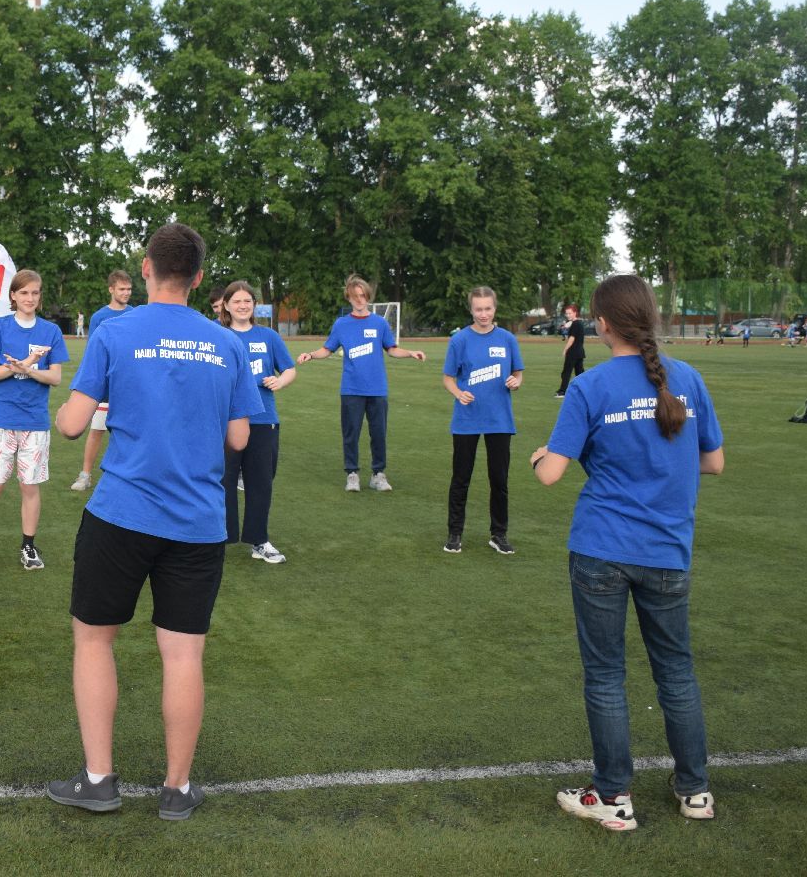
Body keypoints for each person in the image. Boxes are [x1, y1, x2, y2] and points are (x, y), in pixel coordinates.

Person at [48, 223, 262, 821]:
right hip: (198, 520)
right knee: (183, 654)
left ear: (146, 269)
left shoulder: (115, 332)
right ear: (198, 278)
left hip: (121, 514)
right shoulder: (227, 343)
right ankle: (176, 789)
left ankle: (99, 780)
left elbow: (70, 425)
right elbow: (239, 435)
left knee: (94, 639)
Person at [530, 274, 724, 833]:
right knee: (677, 673)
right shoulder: (687, 378)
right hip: (667, 551)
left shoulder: (591, 386)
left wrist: (543, 453)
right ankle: (695, 792)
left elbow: (550, 476)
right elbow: (714, 463)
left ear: (604, 323)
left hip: (602, 550)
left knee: (606, 675)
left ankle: (613, 795)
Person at [0, 270, 69, 573]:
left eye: (35, 293)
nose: (30, 298)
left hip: (35, 422)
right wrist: (18, 366)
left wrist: (30, 368)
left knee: (30, 487)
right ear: (13, 295)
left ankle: (28, 545)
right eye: (24, 293)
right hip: (1, 420)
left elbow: (56, 377)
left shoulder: (50, 331)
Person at [297, 275, 425, 492]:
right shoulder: (341, 324)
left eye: (362, 295)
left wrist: (411, 352)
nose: (359, 299)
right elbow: (327, 349)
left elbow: (392, 349)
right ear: (349, 298)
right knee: (351, 433)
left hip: (377, 389)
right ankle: (352, 474)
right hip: (351, 389)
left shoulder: (379, 323)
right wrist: (310, 354)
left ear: (368, 296)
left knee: (379, 433)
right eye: (355, 296)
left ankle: (378, 474)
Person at [442, 286, 524, 556]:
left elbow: (517, 374)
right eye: (478, 309)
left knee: (499, 480)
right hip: (466, 420)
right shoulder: (460, 341)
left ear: (495, 308)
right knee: (461, 478)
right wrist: (458, 393)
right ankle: (455, 533)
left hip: (499, 420)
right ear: (471, 310)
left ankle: (498, 534)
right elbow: (448, 378)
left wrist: (516, 381)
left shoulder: (507, 339)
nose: (484, 314)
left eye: (488, 308)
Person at [220, 280, 297, 563]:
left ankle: (259, 541)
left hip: (264, 420)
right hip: (227, 422)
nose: (242, 305)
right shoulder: (218, 336)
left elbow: (289, 368)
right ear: (226, 305)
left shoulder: (268, 336)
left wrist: (280, 380)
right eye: (237, 301)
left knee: (260, 482)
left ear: (254, 305)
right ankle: (219, 539)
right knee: (223, 481)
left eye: (247, 301)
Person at [71, 269, 134, 492]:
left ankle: (128, 479)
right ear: (111, 289)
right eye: (122, 289)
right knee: (96, 431)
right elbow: (93, 354)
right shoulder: (99, 317)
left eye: (129, 289)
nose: (126, 293)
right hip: (106, 388)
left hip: (128, 388)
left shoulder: (135, 313)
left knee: (129, 434)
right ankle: (85, 475)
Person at [556, 303, 586, 398]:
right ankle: (584, 391)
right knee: (580, 373)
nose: (568, 315)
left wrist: (565, 350)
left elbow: (572, 339)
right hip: (580, 352)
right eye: (567, 313)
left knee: (566, 372)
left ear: (575, 313)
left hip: (573, 352)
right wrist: (565, 328)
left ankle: (562, 391)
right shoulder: (578, 323)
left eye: (570, 313)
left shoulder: (575, 324)